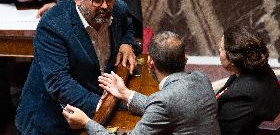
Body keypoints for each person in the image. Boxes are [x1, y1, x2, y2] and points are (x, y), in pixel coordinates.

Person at [16, 0, 140, 135]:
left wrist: (127, 44)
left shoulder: (118, 8)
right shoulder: (52, 26)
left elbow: (127, 27)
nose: (105, 6)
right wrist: (104, 107)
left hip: (91, 117)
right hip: (51, 121)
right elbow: (59, 82)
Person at [62, 31, 221, 135]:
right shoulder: (202, 78)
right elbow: (170, 107)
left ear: (150, 63)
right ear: (185, 58)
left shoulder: (164, 102)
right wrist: (125, 93)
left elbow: (164, 106)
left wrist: (86, 122)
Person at [216, 26, 280, 135]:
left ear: (233, 59)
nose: (219, 50)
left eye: (222, 49)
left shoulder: (240, 96)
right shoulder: (262, 68)